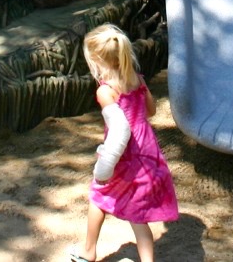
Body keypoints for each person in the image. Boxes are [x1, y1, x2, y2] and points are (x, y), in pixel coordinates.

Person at [70, 23, 178, 262]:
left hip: (123, 157)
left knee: (99, 195)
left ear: (96, 62)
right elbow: (150, 111)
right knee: (138, 215)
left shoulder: (106, 91)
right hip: (147, 151)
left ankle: (88, 251)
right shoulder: (137, 80)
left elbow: (120, 130)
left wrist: (104, 166)